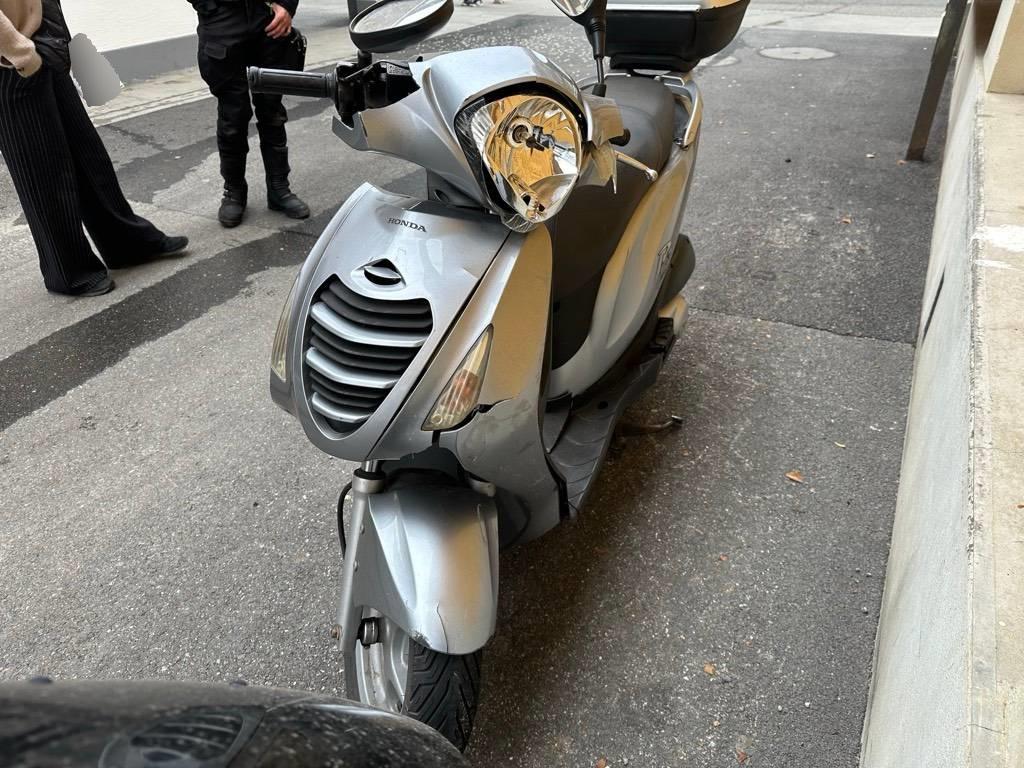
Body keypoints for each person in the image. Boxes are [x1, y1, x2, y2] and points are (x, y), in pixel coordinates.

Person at [0, 0, 189, 297]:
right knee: (42, 171)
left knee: (87, 155)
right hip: (11, 59)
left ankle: (125, 242)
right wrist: (19, 52)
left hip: (41, 42)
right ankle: (68, 272)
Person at [189, 0, 310, 228]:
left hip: (267, 19)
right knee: (232, 116)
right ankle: (234, 192)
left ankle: (279, 188)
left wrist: (287, 5)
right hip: (222, 22)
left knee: (272, 109)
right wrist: (209, 7)